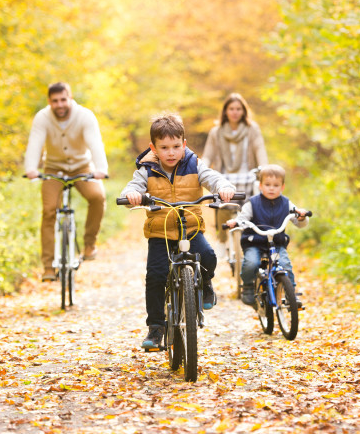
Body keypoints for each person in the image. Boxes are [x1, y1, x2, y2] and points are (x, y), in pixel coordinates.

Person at [120, 113, 235, 349]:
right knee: (155, 276)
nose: (170, 152)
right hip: (160, 232)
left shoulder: (194, 164)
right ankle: (156, 328)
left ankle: (204, 284)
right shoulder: (147, 169)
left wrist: (222, 186)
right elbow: (134, 186)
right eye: (164, 148)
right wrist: (131, 195)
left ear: (184, 144)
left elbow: (210, 177)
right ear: (154, 148)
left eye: (175, 146)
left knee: (209, 256)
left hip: (190, 228)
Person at [24, 82, 108, 282]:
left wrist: (101, 169)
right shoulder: (42, 118)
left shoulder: (85, 116)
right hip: (53, 169)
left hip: (82, 166)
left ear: (70, 98)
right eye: (55, 101)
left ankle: (89, 244)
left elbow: (95, 143)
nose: (59, 104)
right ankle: (48, 267)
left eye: (63, 99)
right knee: (49, 210)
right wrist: (31, 169)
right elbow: (35, 143)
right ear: (49, 102)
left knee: (97, 197)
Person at [226, 164, 309, 308]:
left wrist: (301, 216)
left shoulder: (286, 203)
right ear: (260, 185)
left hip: (276, 244)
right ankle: (248, 286)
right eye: (267, 184)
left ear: (282, 187)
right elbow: (243, 218)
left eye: (276, 185)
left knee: (285, 265)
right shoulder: (252, 203)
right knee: (251, 263)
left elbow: (298, 220)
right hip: (254, 242)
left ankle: (291, 294)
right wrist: (236, 222)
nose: (271, 188)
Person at [202, 93, 268, 261]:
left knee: (253, 209)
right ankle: (222, 241)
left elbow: (260, 149)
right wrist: (201, 168)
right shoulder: (216, 132)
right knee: (223, 206)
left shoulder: (252, 129)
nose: (235, 112)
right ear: (225, 111)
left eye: (238, 109)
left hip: (247, 176)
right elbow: (208, 155)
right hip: (225, 177)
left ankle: (253, 241)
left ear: (244, 111)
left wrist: (265, 169)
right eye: (231, 109)